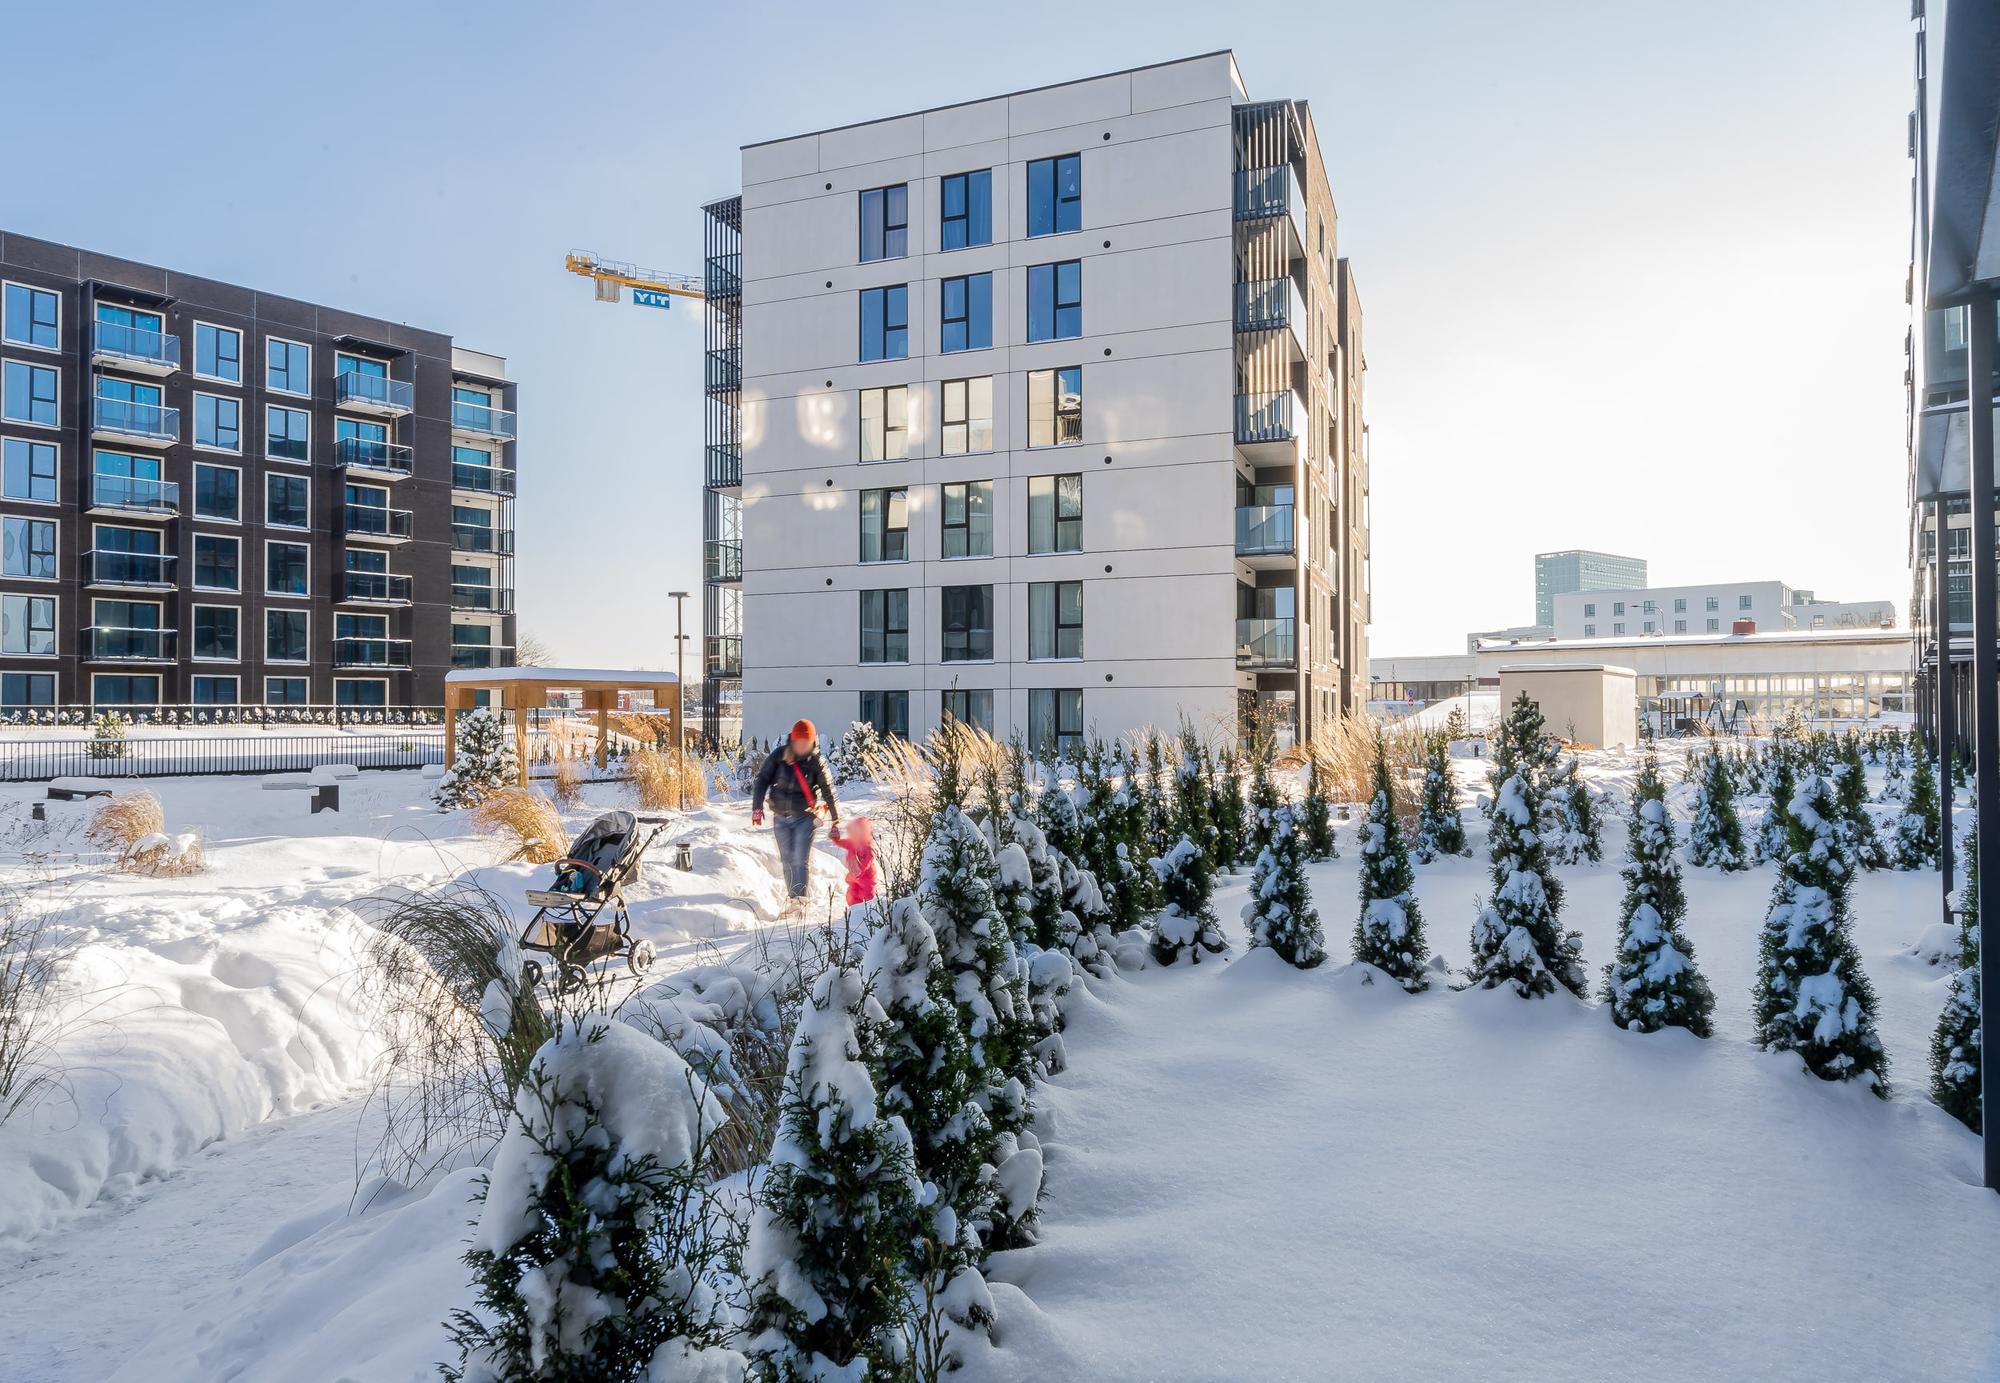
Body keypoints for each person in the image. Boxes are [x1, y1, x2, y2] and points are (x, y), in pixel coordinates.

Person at [750, 719, 840, 909]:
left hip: (805, 818)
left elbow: (828, 789)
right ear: (793, 740)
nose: (802, 747)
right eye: (799, 742)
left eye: (806, 743)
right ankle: (793, 899)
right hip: (780, 817)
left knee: (800, 859)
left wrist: (836, 818)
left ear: (812, 742)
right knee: (787, 860)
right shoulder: (779, 756)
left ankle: (800, 901)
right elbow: (762, 779)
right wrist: (757, 807)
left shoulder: (815, 762)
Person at [831, 815, 877, 908]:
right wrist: (835, 837)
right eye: (852, 833)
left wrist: (858, 872)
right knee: (851, 896)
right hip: (854, 880)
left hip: (866, 879)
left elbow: (868, 861)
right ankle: (854, 912)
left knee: (867, 898)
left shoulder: (868, 848)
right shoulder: (852, 843)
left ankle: (870, 913)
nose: (852, 835)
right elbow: (839, 842)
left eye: (855, 833)